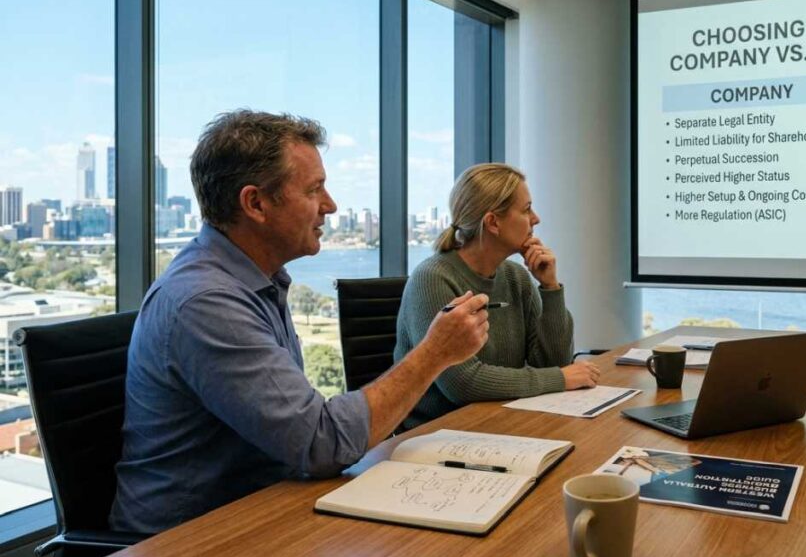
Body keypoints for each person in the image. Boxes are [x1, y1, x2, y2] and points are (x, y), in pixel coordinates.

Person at [109, 110, 490, 534]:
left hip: (262, 510)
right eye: (314, 190)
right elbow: (320, 442)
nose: (330, 205)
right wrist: (434, 353)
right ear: (255, 204)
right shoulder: (206, 302)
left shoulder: (257, 279)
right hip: (188, 541)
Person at [394, 163, 600, 429]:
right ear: (493, 222)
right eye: (526, 210)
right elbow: (463, 383)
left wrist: (550, 288)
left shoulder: (516, 277)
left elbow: (555, 362)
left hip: (499, 423)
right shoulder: (433, 279)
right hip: (435, 435)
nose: (535, 219)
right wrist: (560, 379)